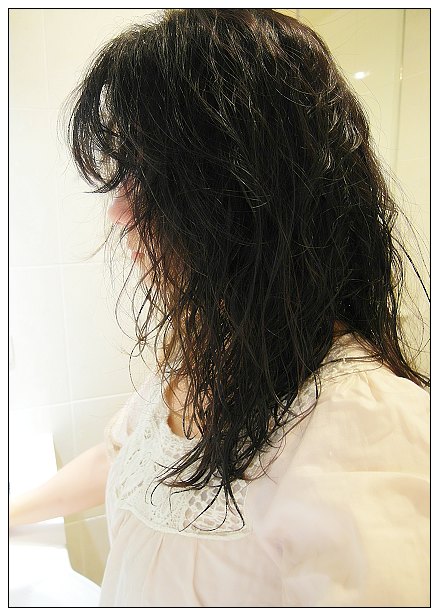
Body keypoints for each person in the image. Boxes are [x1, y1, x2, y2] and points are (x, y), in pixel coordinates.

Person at [9, 9, 429, 607]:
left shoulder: (367, 430)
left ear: (244, 193)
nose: (118, 211)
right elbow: (122, 457)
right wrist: (10, 510)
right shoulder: (217, 350)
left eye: (146, 177)